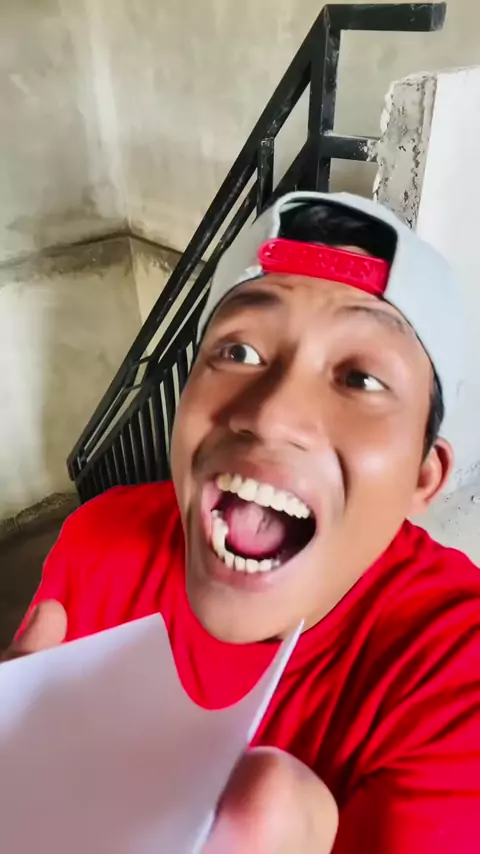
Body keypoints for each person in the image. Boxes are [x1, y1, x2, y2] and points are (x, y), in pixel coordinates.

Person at [8, 191, 480, 853]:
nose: (271, 413)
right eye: (239, 353)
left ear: (424, 477)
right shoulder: (99, 540)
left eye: (361, 380)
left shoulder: (456, 672)